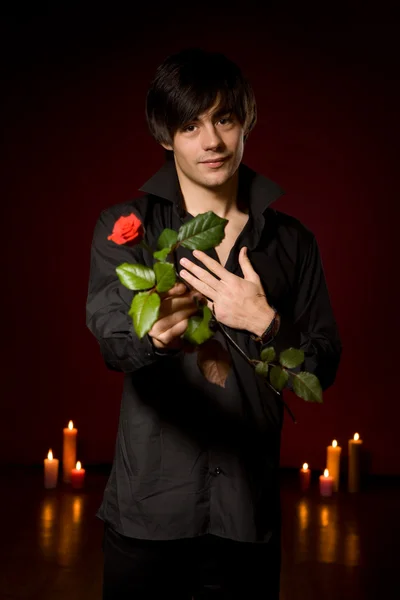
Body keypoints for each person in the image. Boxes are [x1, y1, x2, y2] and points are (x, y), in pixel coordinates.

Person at [86, 47, 342, 599]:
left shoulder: (292, 242)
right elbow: (109, 334)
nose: (212, 142)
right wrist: (152, 334)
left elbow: (323, 363)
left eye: (224, 119)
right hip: (149, 511)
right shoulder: (127, 226)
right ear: (165, 136)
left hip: (246, 517)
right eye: (190, 124)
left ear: (246, 121)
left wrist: (266, 323)